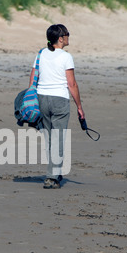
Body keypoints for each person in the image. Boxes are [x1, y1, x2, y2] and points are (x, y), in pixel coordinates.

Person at [29, 24, 85, 189]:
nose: (68, 37)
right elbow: (71, 84)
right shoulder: (66, 57)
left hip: (42, 98)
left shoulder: (41, 54)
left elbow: (33, 77)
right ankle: (52, 177)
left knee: (49, 138)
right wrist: (79, 107)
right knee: (58, 138)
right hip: (59, 100)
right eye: (67, 34)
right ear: (60, 38)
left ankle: (54, 171)